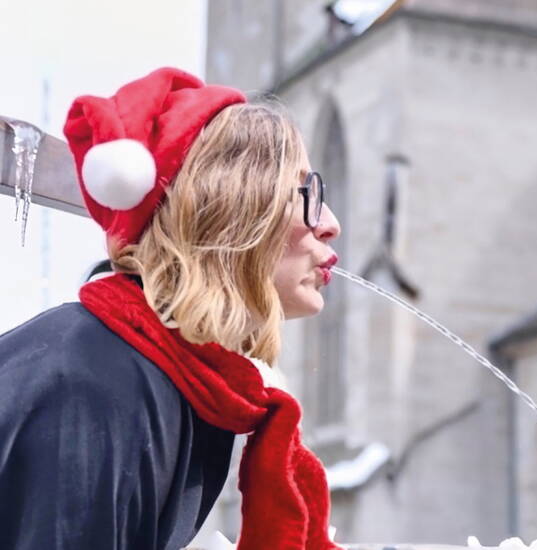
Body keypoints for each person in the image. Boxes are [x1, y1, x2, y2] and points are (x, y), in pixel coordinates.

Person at [0, 67, 342, 550]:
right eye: (309, 195)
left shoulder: (161, 374)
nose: (330, 225)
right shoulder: (97, 381)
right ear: (234, 213)